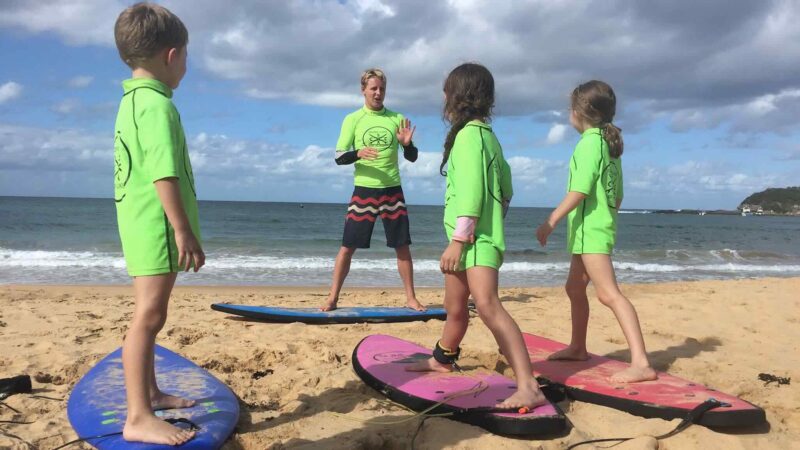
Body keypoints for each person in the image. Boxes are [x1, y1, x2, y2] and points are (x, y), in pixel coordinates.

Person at [407, 63, 547, 410]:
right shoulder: (488, 136)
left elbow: (470, 194)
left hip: (472, 242)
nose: (442, 96)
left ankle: (528, 385)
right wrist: (491, 221)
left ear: (457, 97)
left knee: (488, 306)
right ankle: (443, 356)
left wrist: (461, 239)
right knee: (455, 307)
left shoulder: (469, 136)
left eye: (445, 90)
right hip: (474, 238)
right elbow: (508, 190)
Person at [113, 3, 204, 444]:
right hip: (157, 225)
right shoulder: (158, 108)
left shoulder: (131, 101)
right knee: (149, 317)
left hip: (137, 221)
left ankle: (150, 392)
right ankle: (138, 416)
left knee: (149, 313)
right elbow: (162, 173)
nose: (185, 66)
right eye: (186, 57)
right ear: (172, 55)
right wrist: (182, 229)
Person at [535, 80, 657, 383]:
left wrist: (551, 221)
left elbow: (581, 189)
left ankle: (641, 363)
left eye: (569, 108)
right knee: (575, 288)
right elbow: (617, 196)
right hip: (593, 229)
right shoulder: (609, 143)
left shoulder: (590, 142)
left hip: (591, 232)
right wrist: (604, 218)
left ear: (579, 111)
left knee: (608, 294)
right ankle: (578, 347)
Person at [321, 68, 424, 312]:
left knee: (402, 246)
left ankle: (410, 298)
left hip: (392, 191)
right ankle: (333, 298)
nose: (378, 93)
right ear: (363, 90)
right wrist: (358, 153)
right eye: (373, 88)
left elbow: (412, 157)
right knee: (348, 246)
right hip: (364, 191)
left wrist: (406, 145)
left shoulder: (396, 118)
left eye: (382, 89)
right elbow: (338, 157)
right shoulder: (353, 119)